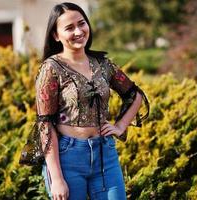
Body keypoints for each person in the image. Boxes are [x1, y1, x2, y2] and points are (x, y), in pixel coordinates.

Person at [35, 2, 149, 200]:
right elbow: (45, 125)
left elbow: (135, 94)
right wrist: (57, 178)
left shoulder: (103, 64)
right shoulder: (51, 68)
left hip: (105, 154)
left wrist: (121, 126)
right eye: (69, 28)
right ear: (56, 35)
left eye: (82, 23)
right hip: (68, 157)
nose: (78, 31)